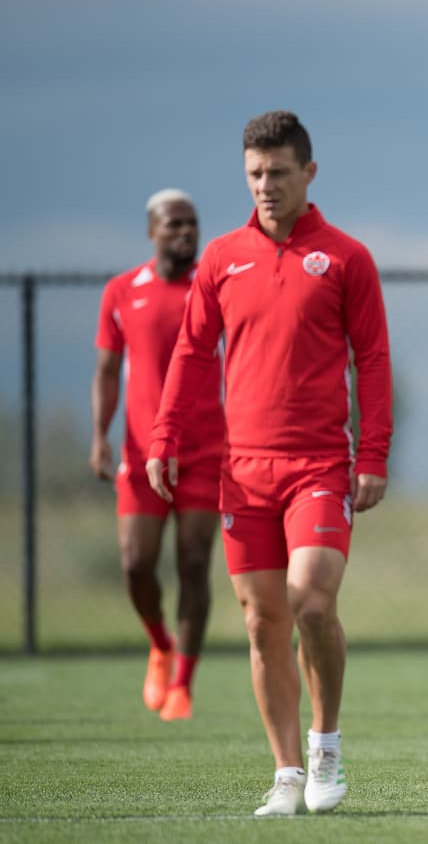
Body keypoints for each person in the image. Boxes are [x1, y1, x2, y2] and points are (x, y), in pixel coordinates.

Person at [146, 111, 393, 815]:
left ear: (308, 173)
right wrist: (164, 438)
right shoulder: (222, 259)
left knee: (312, 598)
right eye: (255, 174)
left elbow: (371, 360)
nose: (265, 185)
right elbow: (192, 352)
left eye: (278, 173)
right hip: (242, 469)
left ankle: (326, 749)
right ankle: (286, 774)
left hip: (319, 465)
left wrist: (371, 453)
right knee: (261, 621)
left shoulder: (347, 257)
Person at [91, 189, 224, 722]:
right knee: (135, 565)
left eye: (192, 224)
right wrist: (100, 435)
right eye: (174, 224)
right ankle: (160, 642)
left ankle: (183, 684)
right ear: (152, 231)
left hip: (207, 449)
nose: (186, 233)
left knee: (194, 564)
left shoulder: (213, 288)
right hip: (141, 451)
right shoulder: (122, 291)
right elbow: (106, 370)